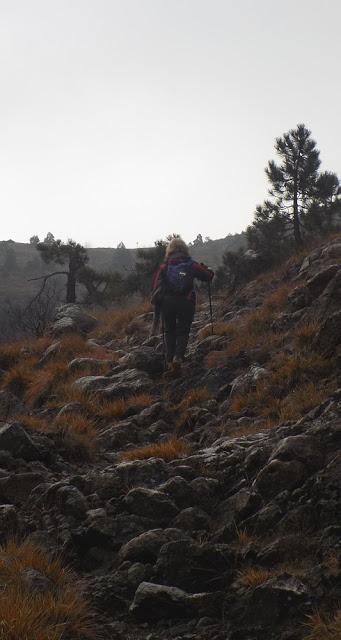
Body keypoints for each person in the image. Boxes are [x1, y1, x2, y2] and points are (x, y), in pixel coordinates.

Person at [151, 237, 214, 372]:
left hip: (167, 303)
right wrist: (208, 269)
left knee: (169, 330)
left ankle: (169, 360)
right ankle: (178, 358)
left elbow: (155, 285)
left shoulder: (164, 266)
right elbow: (208, 276)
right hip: (186, 301)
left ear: (170, 251)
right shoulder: (190, 264)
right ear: (185, 250)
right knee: (183, 330)